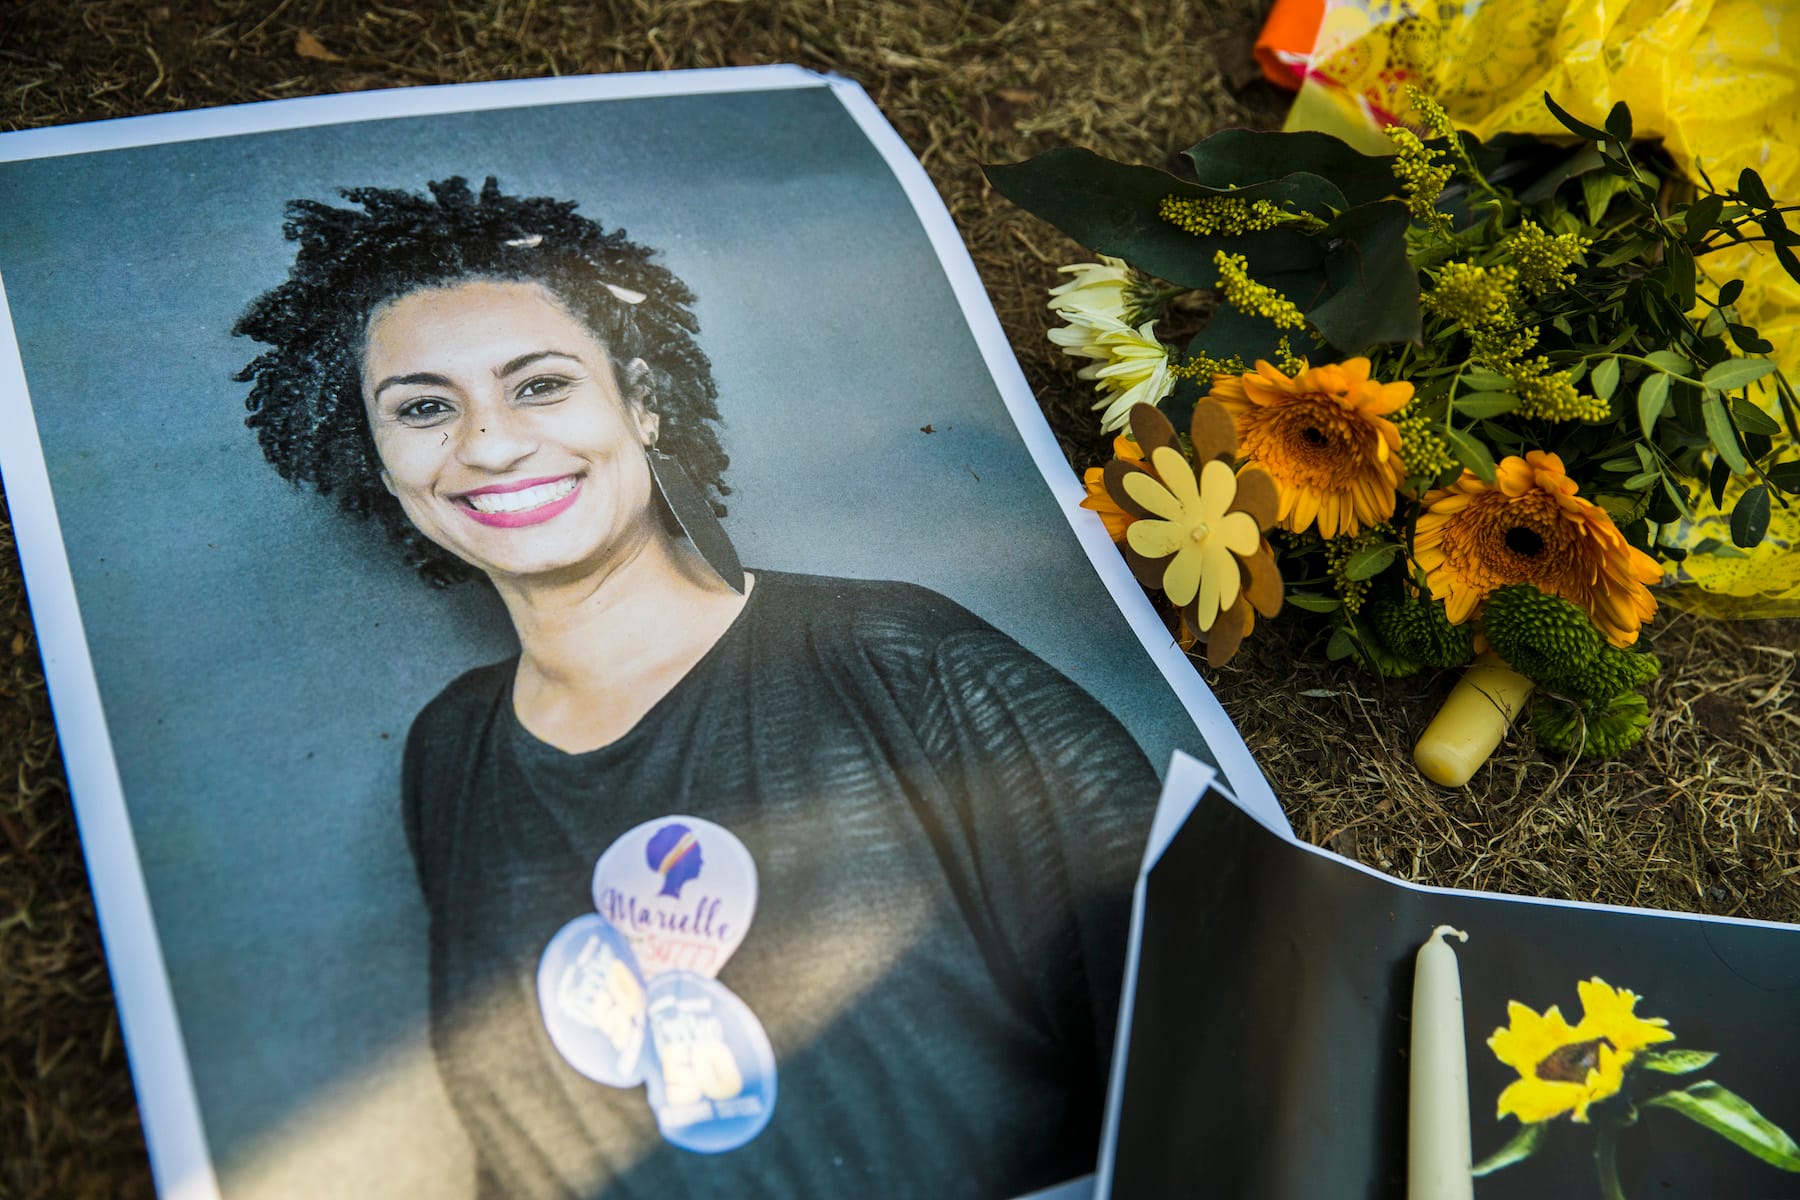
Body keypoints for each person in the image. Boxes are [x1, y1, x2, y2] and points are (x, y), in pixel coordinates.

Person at [234, 177, 1161, 1200]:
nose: (489, 443)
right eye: (422, 408)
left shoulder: (903, 660)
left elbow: (1203, 1039)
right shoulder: (449, 753)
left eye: (540, 384)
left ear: (643, 399)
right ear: (374, 454)